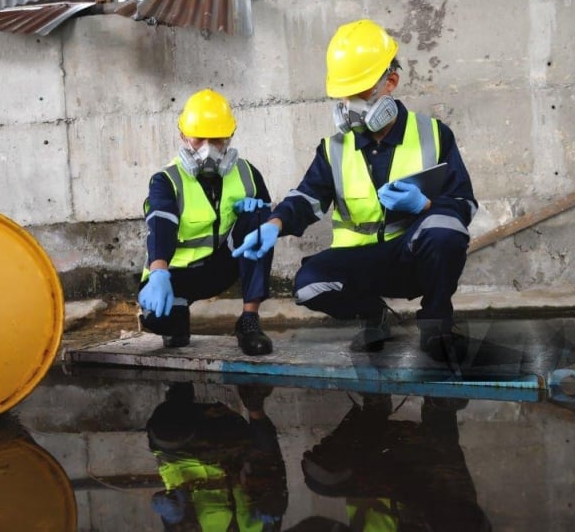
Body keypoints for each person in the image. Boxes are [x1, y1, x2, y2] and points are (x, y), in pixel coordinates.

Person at [233, 19, 478, 362]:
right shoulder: (335, 148)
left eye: (360, 92)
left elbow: (463, 203)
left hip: (412, 257)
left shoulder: (433, 135)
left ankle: (437, 326)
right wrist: (273, 225)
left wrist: (424, 204)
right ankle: (373, 316)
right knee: (307, 284)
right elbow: (306, 198)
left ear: (390, 82)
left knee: (446, 230)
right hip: (360, 264)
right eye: (344, 95)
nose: (350, 105)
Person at [139, 88, 275, 356]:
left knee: (260, 220)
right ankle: (176, 320)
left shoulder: (246, 173)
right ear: (183, 136)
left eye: (217, 140)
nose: (208, 149)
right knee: (161, 319)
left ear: (229, 137)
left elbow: (269, 222)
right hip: (172, 274)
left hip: (219, 267)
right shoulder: (166, 180)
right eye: (199, 139)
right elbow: (161, 224)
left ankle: (249, 321)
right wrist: (157, 272)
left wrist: (257, 212)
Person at [297, 393, 491, 531]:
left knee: (322, 477)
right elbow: (474, 522)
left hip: (386, 473)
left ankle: (375, 408)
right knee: (457, 517)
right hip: (430, 480)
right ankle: (439, 406)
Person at [146, 381, 288, 531]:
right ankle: (253, 400)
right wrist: (273, 501)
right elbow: (274, 470)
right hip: (228, 441)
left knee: (165, 429)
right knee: (268, 468)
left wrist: (171, 514)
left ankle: (178, 385)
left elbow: (175, 521)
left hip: (182, 453)